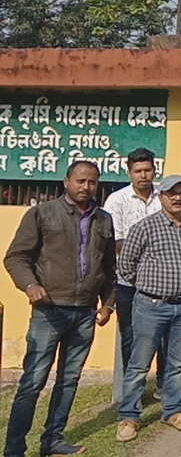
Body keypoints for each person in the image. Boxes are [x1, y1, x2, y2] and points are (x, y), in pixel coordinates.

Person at [5, 161, 116, 457]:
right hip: (49, 311)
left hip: (85, 314)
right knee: (33, 381)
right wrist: (30, 285)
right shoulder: (42, 214)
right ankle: (14, 447)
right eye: (80, 181)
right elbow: (16, 257)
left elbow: (109, 268)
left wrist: (107, 305)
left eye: (92, 182)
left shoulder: (103, 219)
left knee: (69, 381)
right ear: (66, 181)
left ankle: (52, 441)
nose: (86, 187)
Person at [116, 175, 181, 441]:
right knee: (139, 364)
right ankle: (129, 417)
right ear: (161, 196)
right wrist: (147, 288)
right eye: (172, 193)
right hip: (151, 306)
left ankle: (174, 411)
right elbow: (126, 265)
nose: (178, 198)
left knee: (177, 363)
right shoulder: (145, 227)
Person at [102, 147, 162, 406]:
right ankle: (131, 395)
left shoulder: (164, 198)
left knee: (163, 336)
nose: (143, 175)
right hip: (129, 283)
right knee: (130, 337)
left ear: (154, 170)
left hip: (162, 283)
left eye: (147, 170)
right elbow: (117, 242)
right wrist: (152, 255)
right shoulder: (117, 200)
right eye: (138, 171)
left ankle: (163, 386)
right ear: (129, 172)